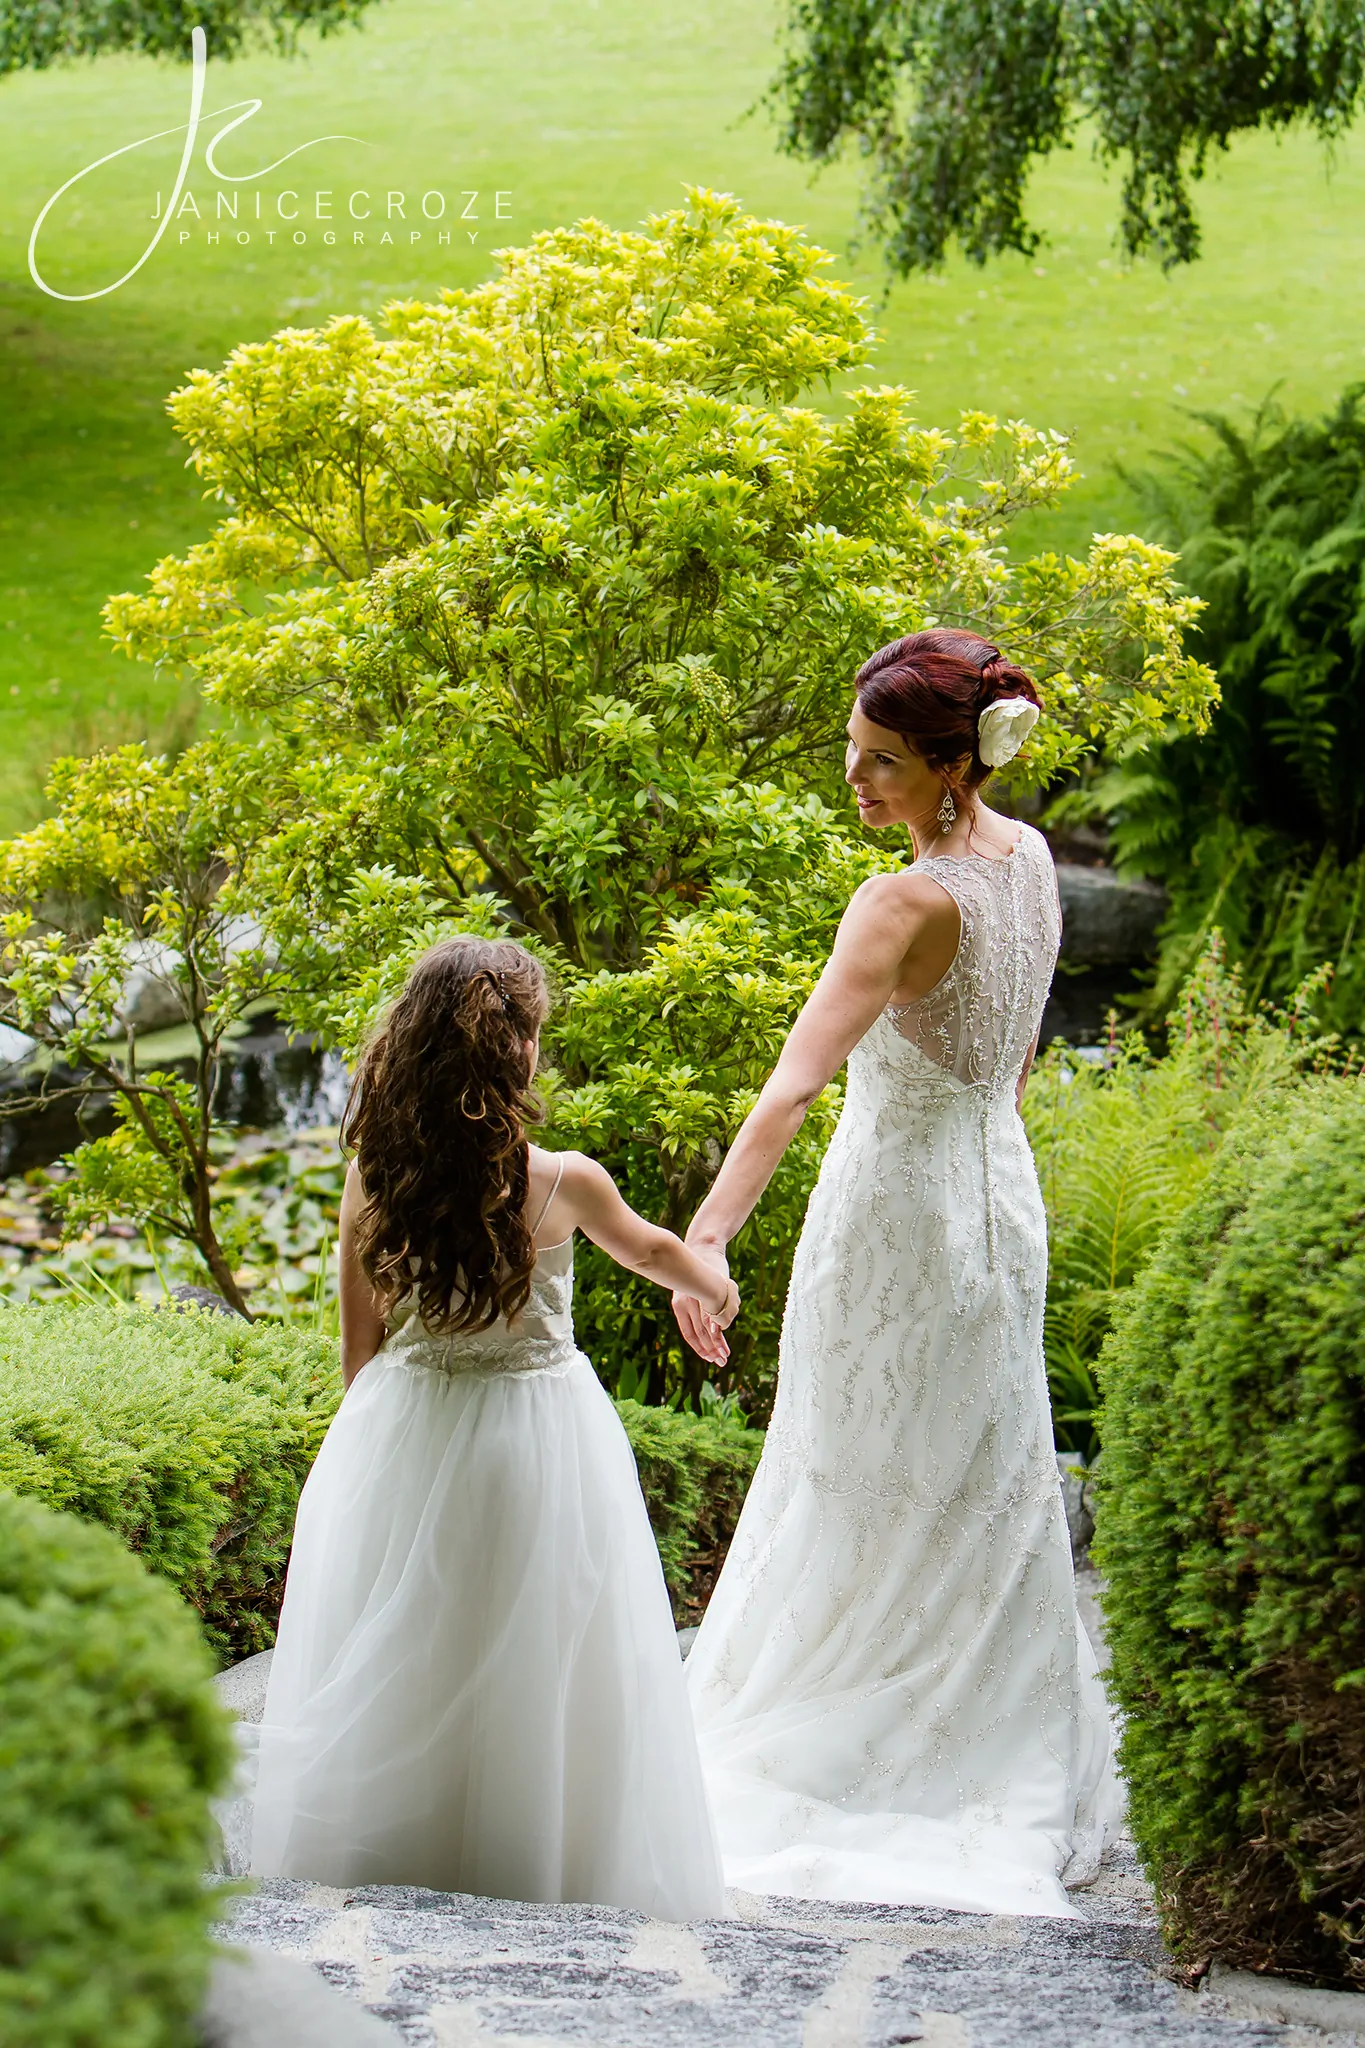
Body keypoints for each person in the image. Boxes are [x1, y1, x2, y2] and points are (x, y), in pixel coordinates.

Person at [672, 628, 1120, 1918]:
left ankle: (865, 1739)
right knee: (976, 1470)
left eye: (878, 764)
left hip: (894, 1215)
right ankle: (973, 1723)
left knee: (856, 1462)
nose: (856, 785)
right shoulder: (1028, 858)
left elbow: (794, 1084)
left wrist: (703, 1241)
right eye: (852, 759)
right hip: (1000, 1199)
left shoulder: (901, 902)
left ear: (947, 765)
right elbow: (1018, 1047)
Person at [250, 937, 734, 1920]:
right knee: (539, 1647)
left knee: (415, 1638)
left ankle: (401, 1844)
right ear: (514, 1052)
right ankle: (536, 1850)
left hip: (405, 1419)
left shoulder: (371, 1178)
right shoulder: (563, 1181)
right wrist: (713, 1286)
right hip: (539, 1436)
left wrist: (378, 1444)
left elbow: (360, 1346)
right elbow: (653, 1250)